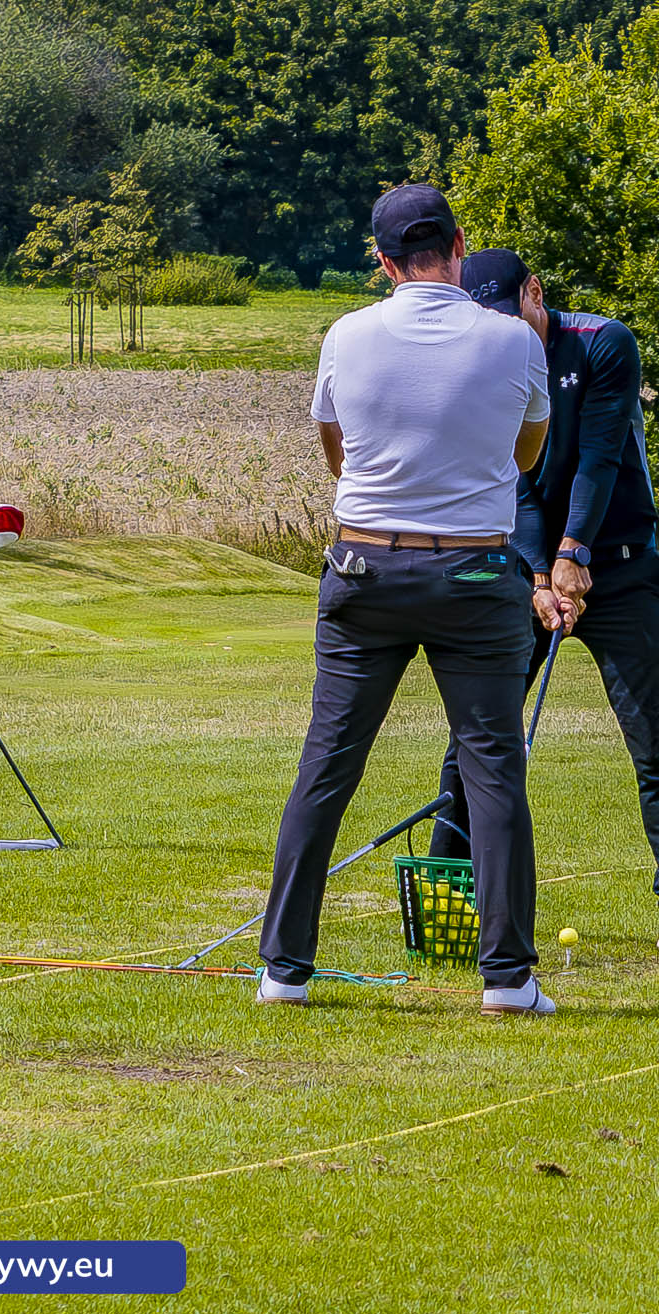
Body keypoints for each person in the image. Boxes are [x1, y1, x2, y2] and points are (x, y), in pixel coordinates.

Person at [258, 186, 560, 1016]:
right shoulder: (513, 340)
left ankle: (284, 968)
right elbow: (527, 455)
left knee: (327, 765)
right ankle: (507, 978)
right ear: (459, 245)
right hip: (472, 577)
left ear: (382, 261)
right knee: (492, 767)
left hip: (363, 569)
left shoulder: (345, 334)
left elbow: (337, 455)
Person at [431, 248, 659, 953]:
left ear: (536, 292)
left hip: (620, 566)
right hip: (529, 570)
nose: (502, 331)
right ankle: (445, 891)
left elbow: (598, 456)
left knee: (656, 737)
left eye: (511, 316)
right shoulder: (486, 360)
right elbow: (513, 478)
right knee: (478, 732)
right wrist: (539, 574)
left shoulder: (603, 344)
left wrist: (573, 556)